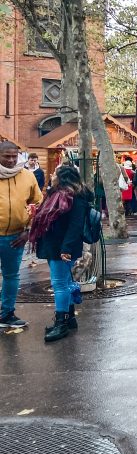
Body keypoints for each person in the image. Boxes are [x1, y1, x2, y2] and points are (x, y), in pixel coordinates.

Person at [29, 165, 91, 342]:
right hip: (54, 245)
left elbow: (75, 225)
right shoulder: (56, 193)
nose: (51, 175)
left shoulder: (75, 196)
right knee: (65, 282)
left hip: (62, 247)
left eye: (55, 173)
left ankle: (61, 323)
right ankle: (70, 318)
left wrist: (66, 249)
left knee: (59, 285)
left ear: (62, 177)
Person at [0, 141, 43, 329]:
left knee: (11, 275)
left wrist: (28, 231)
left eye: (13, 156)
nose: (10, 160)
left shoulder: (28, 176)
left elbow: (38, 203)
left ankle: (6, 313)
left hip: (15, 237)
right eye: (6, 156)